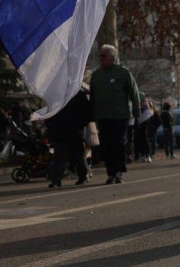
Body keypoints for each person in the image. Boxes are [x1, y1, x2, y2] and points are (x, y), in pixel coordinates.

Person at [90, 44, 139, 184]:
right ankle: (111, 172)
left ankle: (119, 172)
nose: (101, 58)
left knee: (118, 143)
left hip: (120, 116)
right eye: (100, 55)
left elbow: (134, 94)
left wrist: (136, 112)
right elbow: (93, 97)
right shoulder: (96, 76)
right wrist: (92, 115)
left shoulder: (123, 73)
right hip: (103, 116)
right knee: (106, 146)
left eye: (103, 55)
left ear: (112, 57)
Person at [45, 85, 93, 188]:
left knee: (78, 156)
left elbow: (87, 112)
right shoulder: (56, 93)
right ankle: (56, 180)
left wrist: (79, 125)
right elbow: (50, 110)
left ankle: (82, 177)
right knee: (59, 156)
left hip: (74, 130)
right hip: (61, 130)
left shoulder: (78, 93)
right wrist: (50, 124)